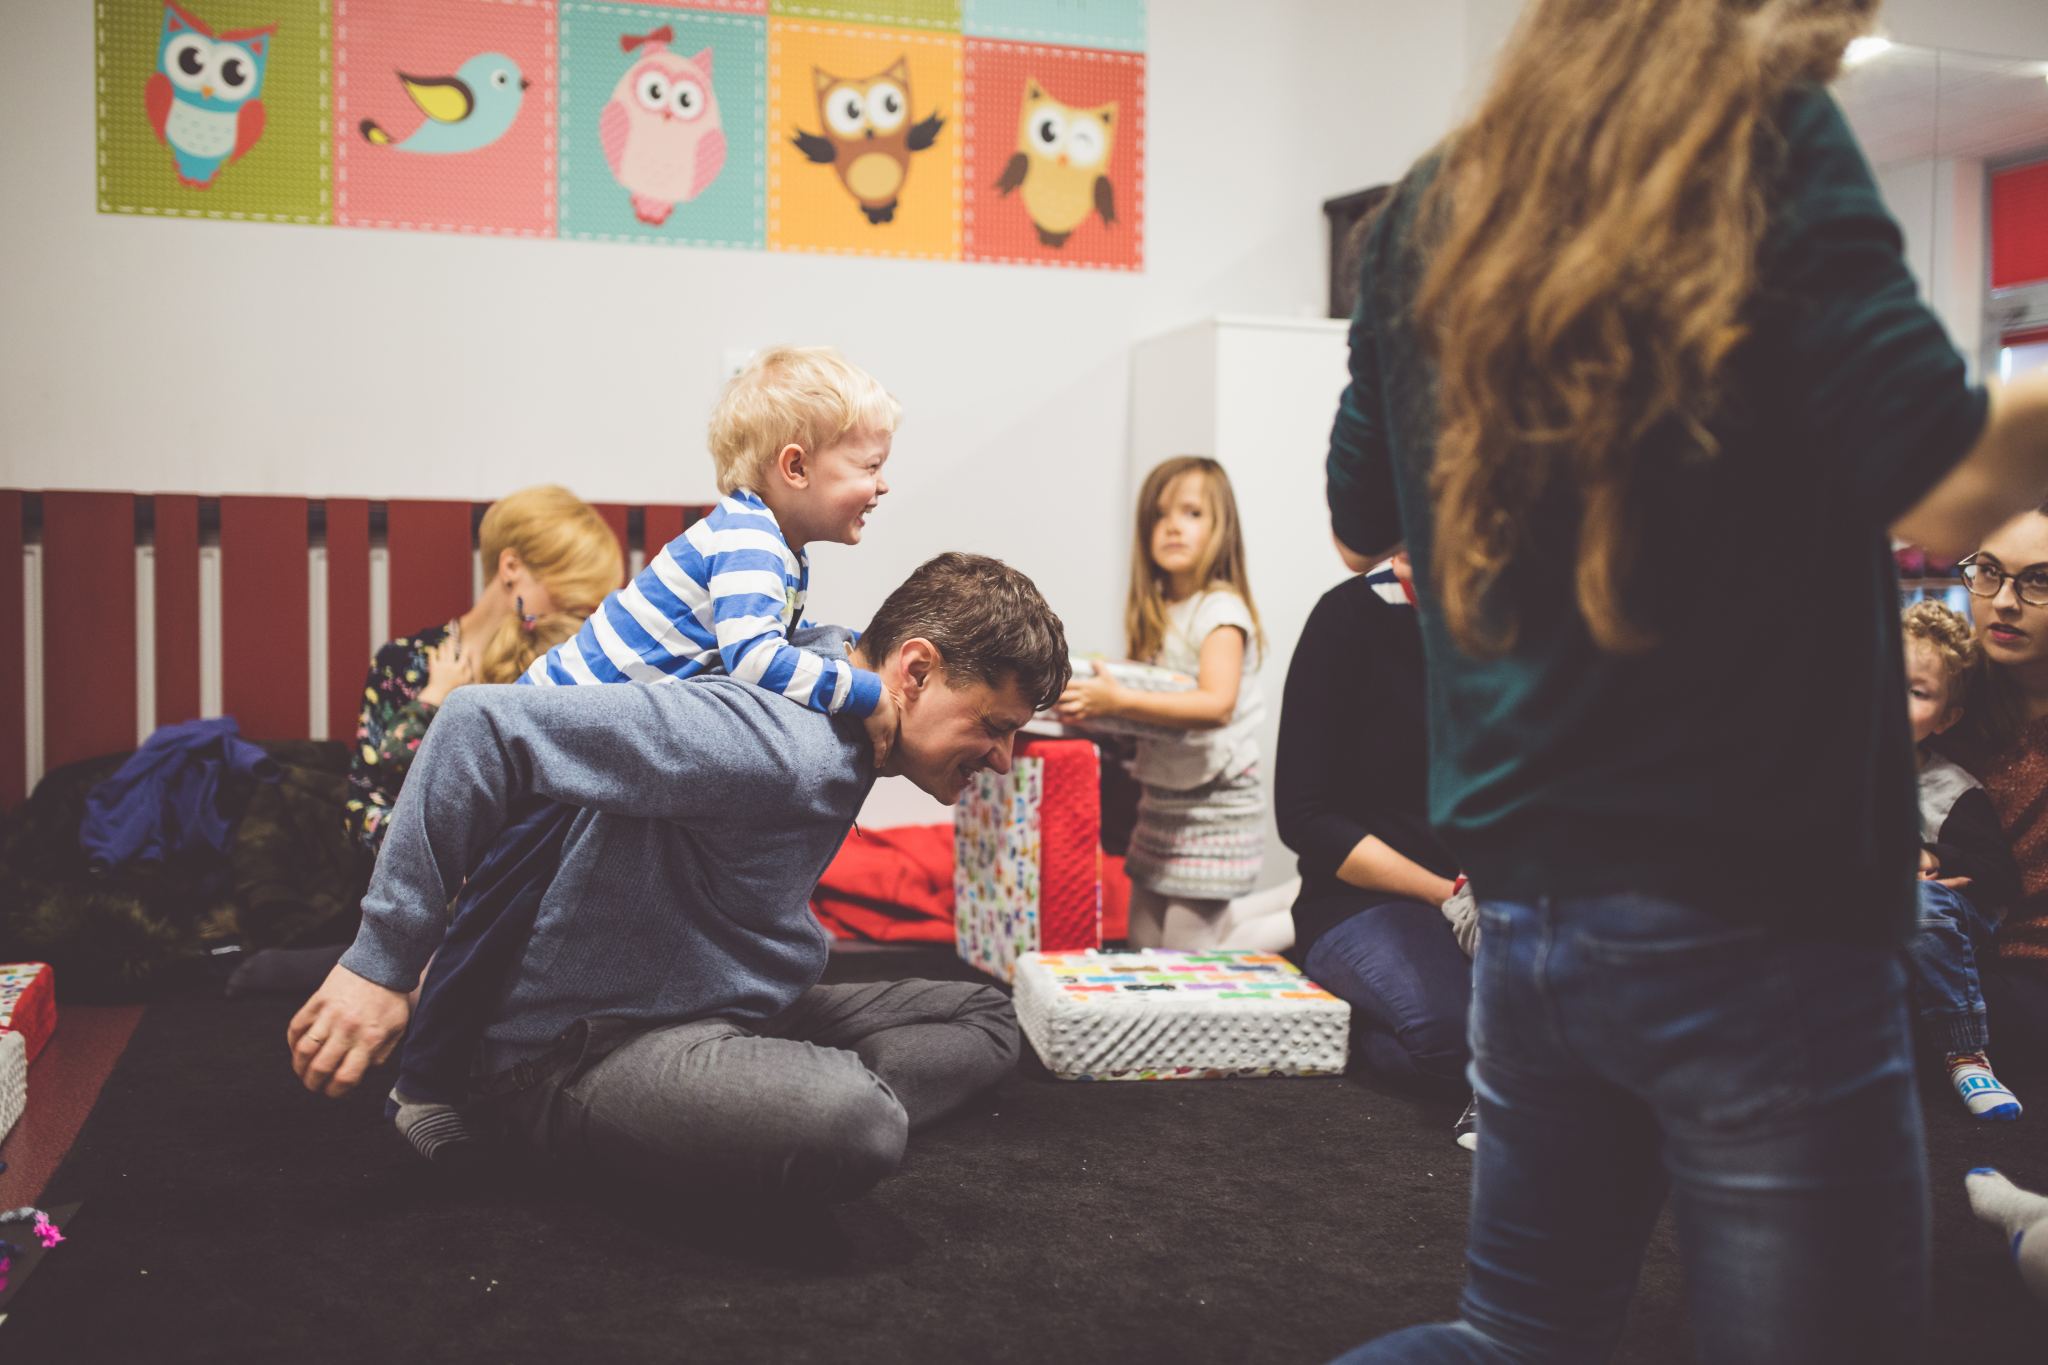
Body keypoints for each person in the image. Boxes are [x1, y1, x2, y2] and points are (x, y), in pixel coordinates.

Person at [1323, 0, 2048, 1359]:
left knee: (1521, 1340)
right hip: (1765, 906)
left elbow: (1361, 523)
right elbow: (1941, 482)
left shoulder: (1431, 203)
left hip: (1531, 913)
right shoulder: (1757, 133)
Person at [288, 552, 1069, 1204]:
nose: (1004, 758)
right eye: (993, 727)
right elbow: (477, 724)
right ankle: (698, 1114)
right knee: (858, 1123)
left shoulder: (831, 674)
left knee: (987, 1016)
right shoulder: (778, 741)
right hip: (580, 1050)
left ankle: (739, 1107)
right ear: (916, 668)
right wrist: (381, 962)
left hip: (724, 1002)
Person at [389, 345, 905, 1161]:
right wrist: (869, 693)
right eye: (870, 466)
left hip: (590, 753)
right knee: (492, 917)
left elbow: (764, 645)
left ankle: (476, 1054)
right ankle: (421, 1084)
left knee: (520, 917)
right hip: (551, 749)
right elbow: (757, 660)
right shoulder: (751, 542)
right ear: (796, 466)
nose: (882, 485)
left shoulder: (770, 545)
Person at [1274, 552, 1477, 1148]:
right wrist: (1452, 894)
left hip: (1488, 893)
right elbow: (1305, 818)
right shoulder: (1347, 617)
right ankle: (1354, 1016)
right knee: (1460, 1041)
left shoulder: (1520, 628)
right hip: (1359, 899)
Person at [1055, 456, 1294, 950]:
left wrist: (1118, 698)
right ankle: (1284, 904)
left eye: (1192, 513)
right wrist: (1100, 711)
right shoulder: (1160, 611)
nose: (1172, 527)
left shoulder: (1220, 611)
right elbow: (1157, 710)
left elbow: (1216, 706)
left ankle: (1304, 914)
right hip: (1163, 798)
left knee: (1188, 953)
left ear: (1221, 528)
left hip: (1214, 802)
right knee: (1143, 939)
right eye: (1159, 516)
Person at [342, 485, 622, 854]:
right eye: (570, 598)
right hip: (421, 870)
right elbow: (363, 807)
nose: (579, 619)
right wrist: (442, 858)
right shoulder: (404, 664)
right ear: (511, 568)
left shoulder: (564, 675)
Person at [1898, 601, 2022, 1119]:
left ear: (1947, 718)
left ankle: (1966, 1053)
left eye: (1916, 692)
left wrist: (1932, 854)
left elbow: (1998, 874)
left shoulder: (1955, 790)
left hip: (1948, 918)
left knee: (1919, 903)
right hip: (1868, 914)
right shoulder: (1837, 773)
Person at [1940, 506, 2048, 1064]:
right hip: (1933, 947)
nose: (2003, 601)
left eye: (2040, 581)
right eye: (1988, 571)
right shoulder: (1936, 694)